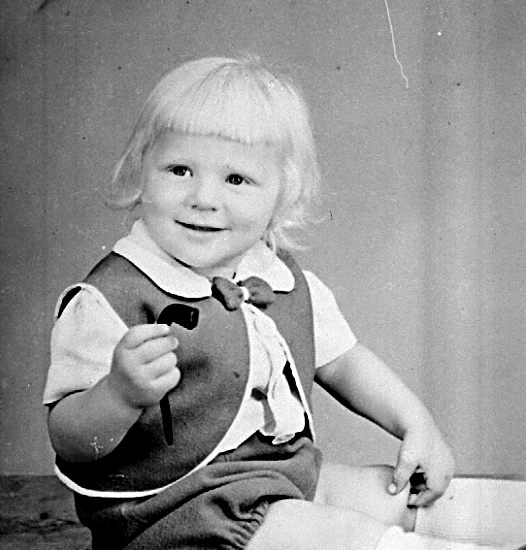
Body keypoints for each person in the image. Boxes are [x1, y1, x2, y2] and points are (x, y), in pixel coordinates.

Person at [44, 55, 512, 550]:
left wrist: (417, 423)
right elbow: (70, 438)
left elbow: (344, 362)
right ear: (142, 170)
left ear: (282, 194)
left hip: (280, 481)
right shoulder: (108, 299)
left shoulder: (279, 278)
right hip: (178, 515)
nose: (203, 197)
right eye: (180, 170)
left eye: (236, 180)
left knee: (405, 496)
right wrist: (118, 395)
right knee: (348, 536)